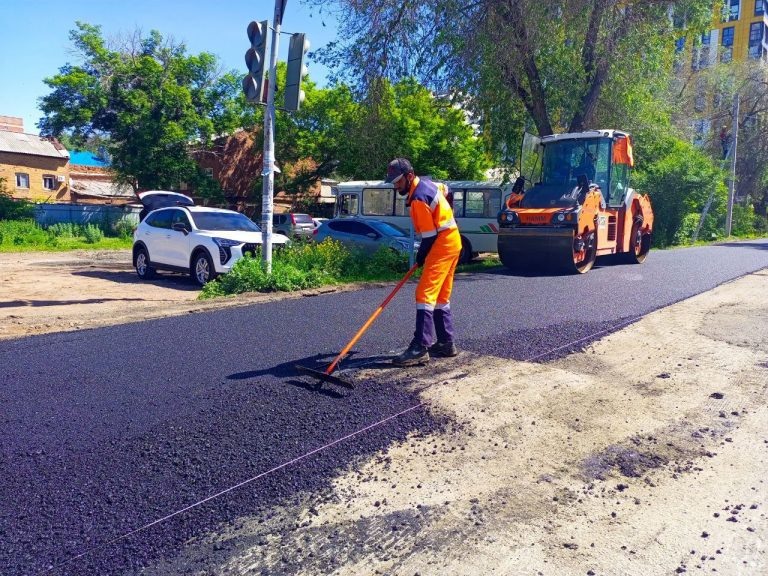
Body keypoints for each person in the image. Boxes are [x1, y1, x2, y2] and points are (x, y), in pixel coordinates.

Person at [384, 158, 462, 366]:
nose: (396, 186)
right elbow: (448, 189)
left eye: (398, 181)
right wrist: (451, 214)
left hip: (442, 243)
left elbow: (428, 237)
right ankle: (446, 342)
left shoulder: (419, 200)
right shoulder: (428, 183)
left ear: (410, 176)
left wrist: (420, 258)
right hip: (453, 240)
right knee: (440, 295)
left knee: (424, 294)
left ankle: (420, 347)